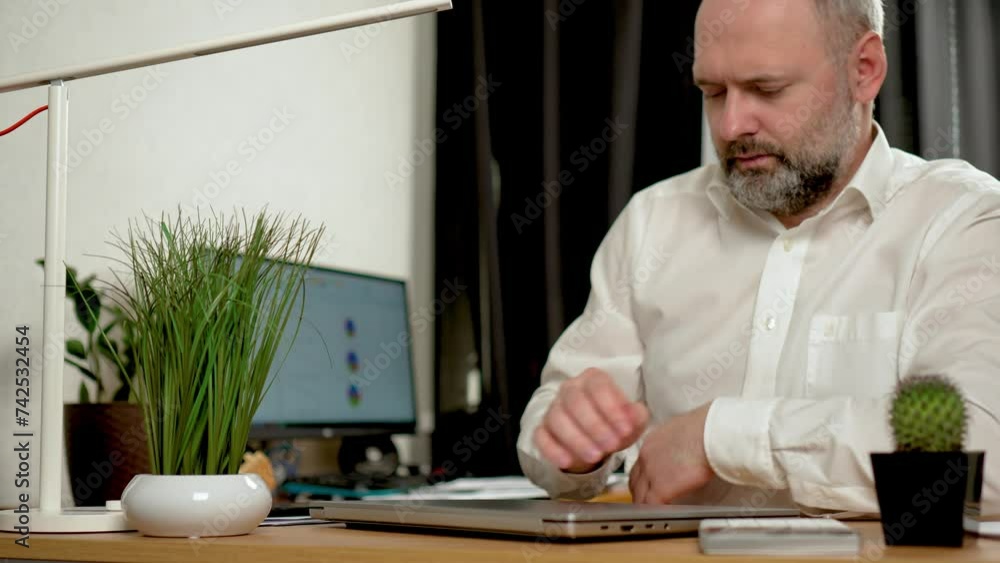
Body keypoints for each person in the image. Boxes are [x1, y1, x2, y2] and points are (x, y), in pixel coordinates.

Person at [517, 0, 1000, 517]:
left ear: (864, 70)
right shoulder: (653, 221)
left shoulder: (962, 222)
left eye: (766, 90)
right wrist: (571, 443)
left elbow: (982, 457)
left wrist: (719, 437)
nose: (730, 126)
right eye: (713, 92)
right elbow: (548, 435)